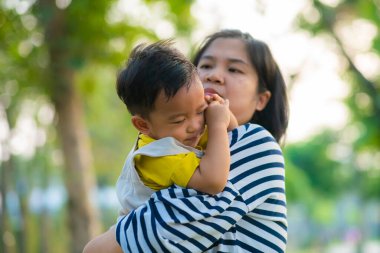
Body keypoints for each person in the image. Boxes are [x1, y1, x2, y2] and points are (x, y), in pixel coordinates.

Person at [83, 29, 289, 253]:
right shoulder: (165, 149)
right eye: (206, 65)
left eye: (234, 69)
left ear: (261, 99)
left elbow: (158, 230)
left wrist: (219, 121)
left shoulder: (258, 146)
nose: (213, 76)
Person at [114, 40, 236, 215]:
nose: (195, 126)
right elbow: (214, 183)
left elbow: (235, 133)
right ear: (143, 125)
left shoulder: (186, 129)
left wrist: (219, 110)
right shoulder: (156, 156)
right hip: (146, 234)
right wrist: (218, 124)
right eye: (179, 120)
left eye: (200, 110)